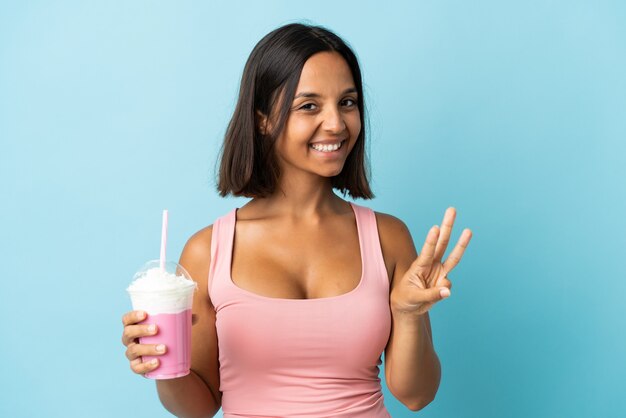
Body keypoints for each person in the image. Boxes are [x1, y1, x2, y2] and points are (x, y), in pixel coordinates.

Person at [121, 22, 472, 418]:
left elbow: (416, 395)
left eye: (348, 102)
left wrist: (408, 315)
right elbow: (198, 408)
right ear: (263, 119)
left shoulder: (387, 237)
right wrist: (161, 365)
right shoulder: (208, 251)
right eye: (309, 105)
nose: (337, 124)